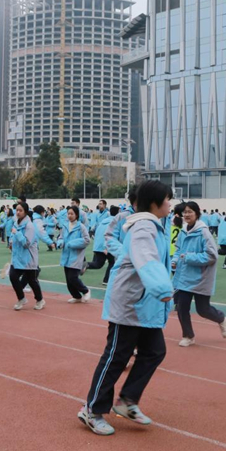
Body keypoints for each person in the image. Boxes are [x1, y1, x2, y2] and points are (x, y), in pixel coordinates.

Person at [78, 181, 174, 436]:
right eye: (168, 198)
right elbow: (147, 259)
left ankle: (127, 400)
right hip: (132, 302)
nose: (171, 203)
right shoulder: (144, 227)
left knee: (154, 351)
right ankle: (92, 409)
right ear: (154, 202)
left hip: (146, 305)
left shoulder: (155, 225)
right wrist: (162, 287)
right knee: (116, 356)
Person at [172, 201, 226, 347]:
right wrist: (175, 260)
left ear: (197, 214)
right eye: (185, 212)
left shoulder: (204, 232)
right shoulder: (183, 231)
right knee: (181, 306)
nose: (187, 215)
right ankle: (188, 335)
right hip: (185, 276)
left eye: (190, 211)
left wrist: (188, 257)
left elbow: (212, 256)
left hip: (200, 277)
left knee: (203, 310)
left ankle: (221, 318)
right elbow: (178, 249)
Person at [7, 201, 46, 310]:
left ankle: (40, 300)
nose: (18, 212)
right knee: (13, 276)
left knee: (32, 281)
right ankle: (21, 298)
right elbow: (12, 234)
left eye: (20, 210)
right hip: (17, 257)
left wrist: (17, 233)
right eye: (17, 210)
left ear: (25, 212)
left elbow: (26, 243)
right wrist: (10, 242)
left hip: (28, 258)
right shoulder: (16, 223)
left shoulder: (30, 226)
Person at [59, 205, 91, 304]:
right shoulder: (65, 226)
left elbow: (86, 240)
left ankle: (85, 291)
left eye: (72, 214)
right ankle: (76, 296)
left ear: (76, 215)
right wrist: (60, 242)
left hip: (76, 256)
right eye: (68, 213)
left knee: (73, 277)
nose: (69, 215)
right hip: (66, 255)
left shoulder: (81, 227)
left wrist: (72, 243)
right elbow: (61, 237)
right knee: (68, 280)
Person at [86, 206, 118, 286]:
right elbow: (110, 234)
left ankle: (85, 264)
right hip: (106, 246)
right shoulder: (115, 222)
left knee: (98, 264)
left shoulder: (103, 221)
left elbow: (96, 231)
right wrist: (106, 247)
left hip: (98, 245)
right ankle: (107, 280)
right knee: (112, 262)